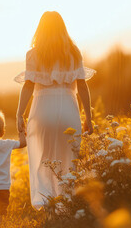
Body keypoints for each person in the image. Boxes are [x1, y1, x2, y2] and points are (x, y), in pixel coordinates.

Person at [15, 11, 95, 209]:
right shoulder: (74, 52)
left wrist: (19, 114)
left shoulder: (34, 54)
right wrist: (89, 117)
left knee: (43, 158)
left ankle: (47, 202)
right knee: (69, 158)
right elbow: (83, 87)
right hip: (68, 108)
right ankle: (65, 204)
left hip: (42, 109)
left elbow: (28, 87)